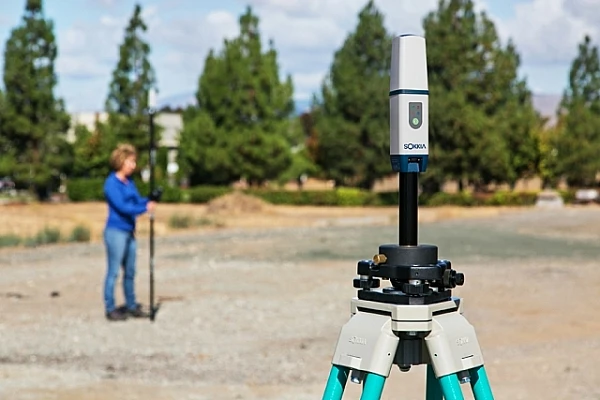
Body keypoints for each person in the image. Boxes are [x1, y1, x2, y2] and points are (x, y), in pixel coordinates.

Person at [102, 143, 156, 321]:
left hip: (129, 231)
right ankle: (110, 308)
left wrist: (149, 199)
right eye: (130, 161)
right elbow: (123, 207)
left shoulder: (130, 182)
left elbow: (136, 201)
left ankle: (131, 305)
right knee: (114, 271)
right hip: (116, 232)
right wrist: (144, 209)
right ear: (121, 161)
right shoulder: (111, 184)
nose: (134, 165)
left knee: (130, 271)